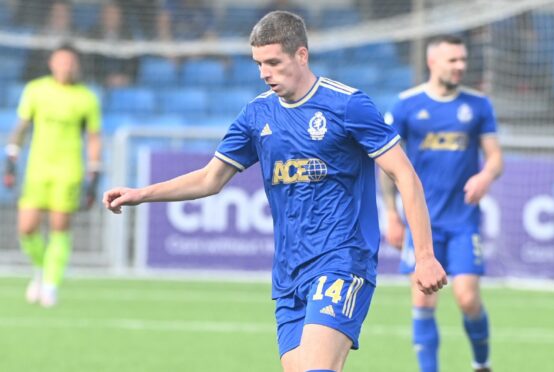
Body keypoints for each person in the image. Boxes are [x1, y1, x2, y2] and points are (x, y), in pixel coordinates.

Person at [102, 11, 446, 372]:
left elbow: (405, 175)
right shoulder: (256, 115)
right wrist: (142, 194)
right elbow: (209, 179)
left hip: (342, 260)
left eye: (273, 62)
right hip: (288, 272)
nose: (264, 73)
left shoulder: (347, 105)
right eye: (258, 64)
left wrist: (423, 255)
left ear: (301, 55)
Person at [380, 34, 503, 372]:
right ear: (433, 62)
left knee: (467, 298)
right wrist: (391, 214)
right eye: (453, 60)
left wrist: (485, 176)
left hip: (463, 222)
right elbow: (387, 166)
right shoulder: (406, 105)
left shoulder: (478, 106)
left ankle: (482, 363)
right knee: (423, 300)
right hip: (422, 225)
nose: (460, 66)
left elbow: (495, 159)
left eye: (463, 60)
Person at [3, 44, 102, 308]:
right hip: (38, 168)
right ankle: (40, 268)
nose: (66, 67)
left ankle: (51, 283)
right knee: (27, 228)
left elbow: (93, 137)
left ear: (76, 65)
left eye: (70, 62)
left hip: (69, 170)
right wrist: (11, 158)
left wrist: (94, 170)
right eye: (61, 61)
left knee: (59, 227)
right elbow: (21, 126)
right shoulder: (36, 90)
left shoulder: (86, 97)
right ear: (52, 63)